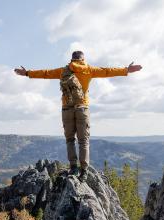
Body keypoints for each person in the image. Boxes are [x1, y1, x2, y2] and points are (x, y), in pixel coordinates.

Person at [14, 51, 142, 182]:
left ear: (72, 59)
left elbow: (46, 73)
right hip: (82, 108)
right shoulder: (89, 69)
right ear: (83, 59)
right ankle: (84, 170)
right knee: (83, 141)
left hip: (67, 108)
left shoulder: (64, 70)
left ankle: (73, 167)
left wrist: (27, 73)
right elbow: (108, 71)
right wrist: (126, 70)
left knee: (70, 140)